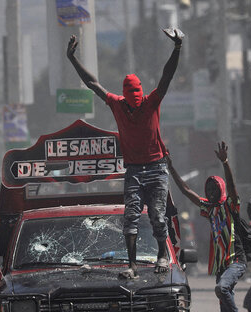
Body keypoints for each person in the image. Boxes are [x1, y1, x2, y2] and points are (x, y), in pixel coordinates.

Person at [66, 28, 183, 279]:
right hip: (133, 169)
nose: (135, 103)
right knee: (130, 216)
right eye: (131, 100)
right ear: (125, 97)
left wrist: (177, 48)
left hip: (156, 167)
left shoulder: (151, 102)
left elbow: (166, 76)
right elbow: (92, 83)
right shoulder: (117, 104)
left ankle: (162, 254)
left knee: (158, 216)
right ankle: (131, 265)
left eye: (137, 99)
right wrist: (72, 59)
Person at [166, 142, 247, 312]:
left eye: (214, 188)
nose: (210, 192)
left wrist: (225, 163)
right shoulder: (209, 209)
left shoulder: (230, 205)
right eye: (208, 188)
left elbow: (232, 187)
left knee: (221, 289)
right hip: (221, 266)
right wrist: (171, 168)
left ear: (221, 190)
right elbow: (186, 191)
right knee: (224, 302)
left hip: (235, 261)